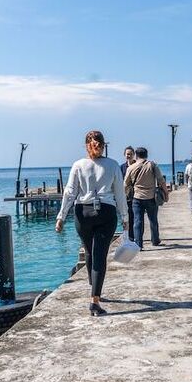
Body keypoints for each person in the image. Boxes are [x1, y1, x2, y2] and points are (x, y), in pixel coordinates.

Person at [55, 130, 128, 317]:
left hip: (83, 213)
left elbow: (70, 192)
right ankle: (95, 300)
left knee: (88, 251)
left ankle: (92, 286)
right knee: (100, 255)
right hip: (106, 212)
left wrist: (61, 216)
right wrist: (125, 218)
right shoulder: (112, 165)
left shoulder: (78, 165)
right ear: (103, 145)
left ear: (86, 146)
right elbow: (119, 193)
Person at [124, 147, 170, 248]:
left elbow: (126, 184)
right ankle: (155, 240)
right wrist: (166, 193)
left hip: (137, 198)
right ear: (146, 155)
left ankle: (138, 244)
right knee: (153, 220)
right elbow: (161, 180)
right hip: (151, 197)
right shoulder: (152, 165)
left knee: (137, 221)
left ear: (136, 155)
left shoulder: (131, 168)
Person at [120, 146, 136, 240]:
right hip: (125, 196)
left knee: (136, 216)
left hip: (136, 195)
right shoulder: (122, 167)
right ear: (124, 155)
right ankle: (129, 235)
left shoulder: (137, 165)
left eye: (130, 154)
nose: (128, 156)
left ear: (133, 155)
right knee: (127, 216)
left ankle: (135, 235)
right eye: (127, 154)